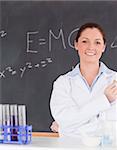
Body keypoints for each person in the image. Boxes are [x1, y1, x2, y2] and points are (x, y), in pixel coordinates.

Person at [50, 22, 117, 137]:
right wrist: (104, 100)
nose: (91, 47)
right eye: (85, 41)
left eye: (97, 42)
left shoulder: (114, 80)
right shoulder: (63, 83)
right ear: (76, 44)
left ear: (103, 47)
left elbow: (113, 128)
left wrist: (65, 129)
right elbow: (65, 121)